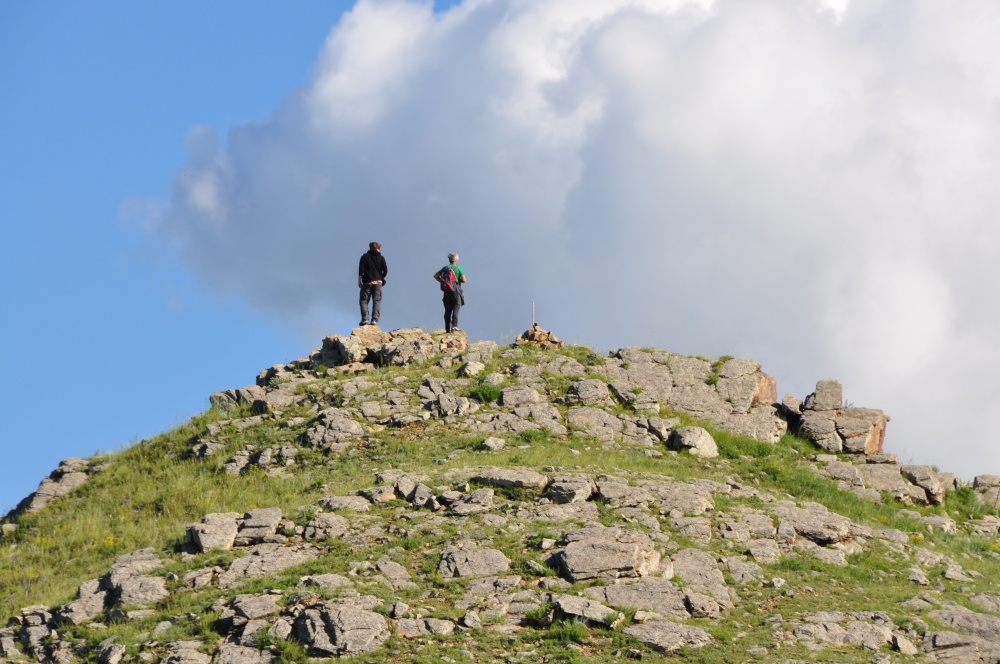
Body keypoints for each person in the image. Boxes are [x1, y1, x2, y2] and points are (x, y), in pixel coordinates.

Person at [433, 252, 466, 333]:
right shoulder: (459, 268)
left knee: (448, 309)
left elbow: (435, 276)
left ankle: (447, 328)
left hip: (446, 290)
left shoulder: (445, 268)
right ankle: (454, 326)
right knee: (456, 306)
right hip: (456, 288)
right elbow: (464, 280)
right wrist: (458, 280)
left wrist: (442, 281)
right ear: (456, 260)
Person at [358, 241, 388, 326]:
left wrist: (359, 281)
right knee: (377, 301)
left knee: (363, 301)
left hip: (367, 282)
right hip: (378, 282)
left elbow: (361, 270)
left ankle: (365, 319)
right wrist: (381, 277)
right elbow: (385, 270)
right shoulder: (381, 257)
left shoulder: (364, 257)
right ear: (378, 248)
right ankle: (374, 320)